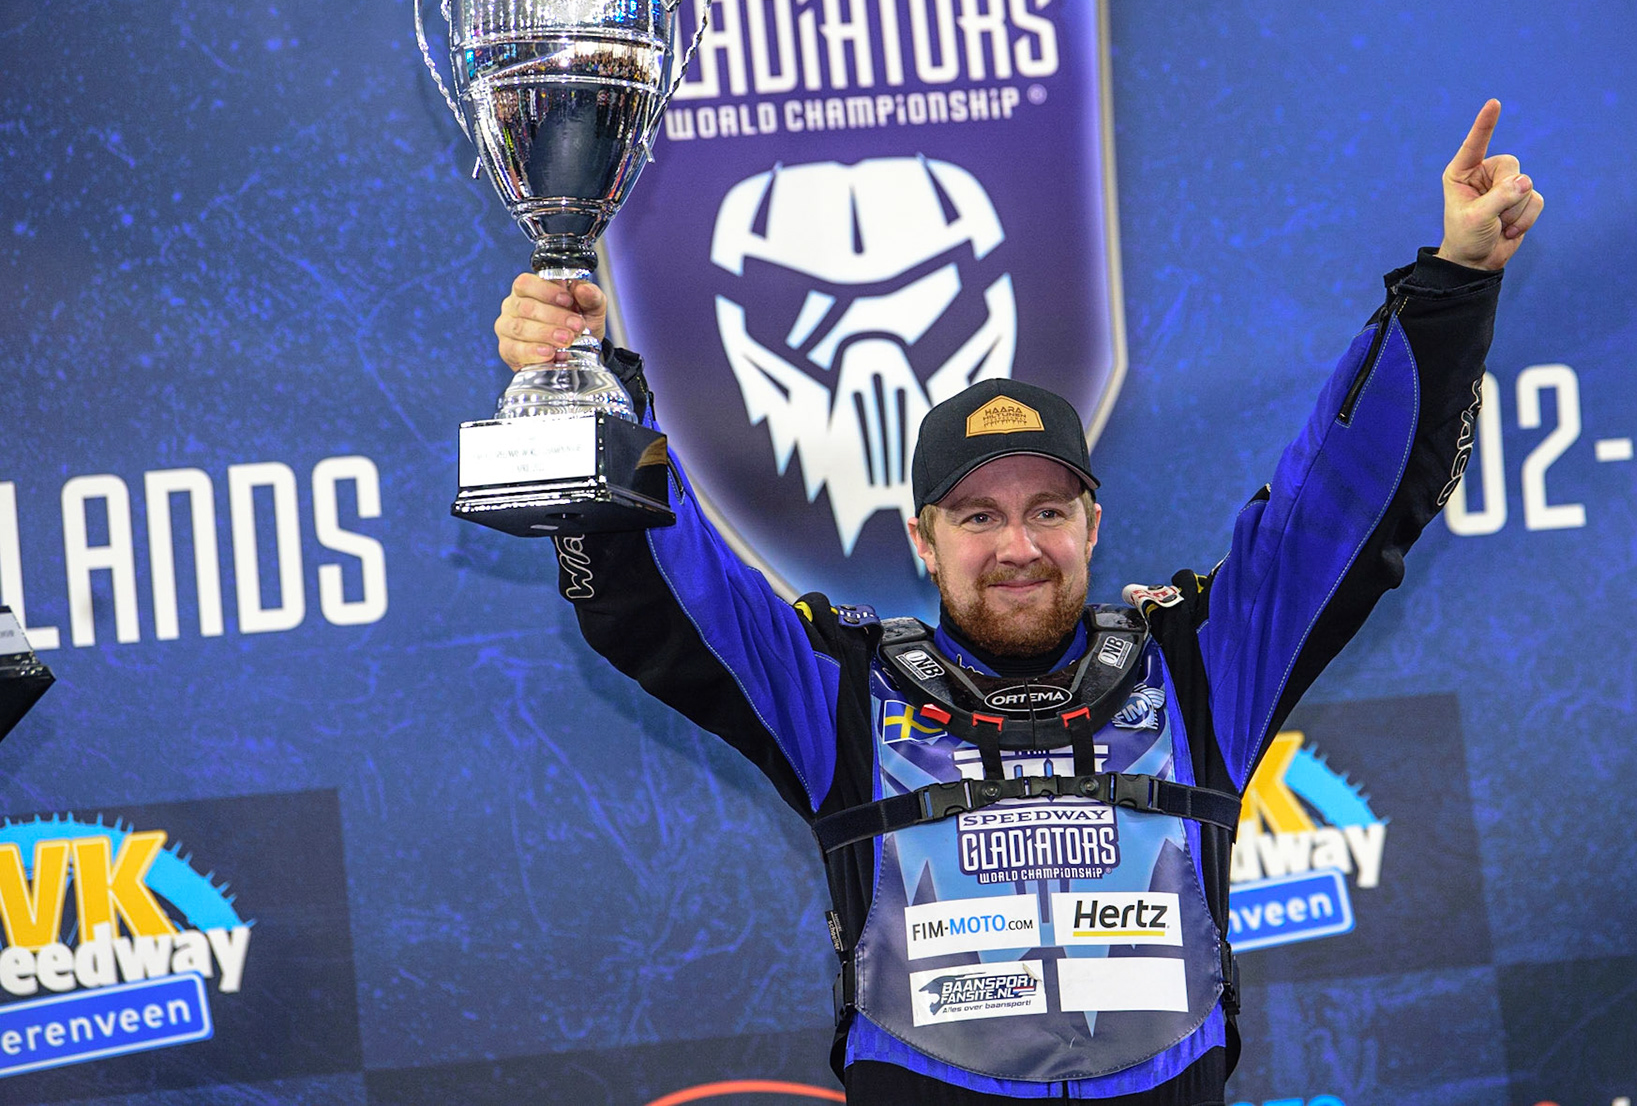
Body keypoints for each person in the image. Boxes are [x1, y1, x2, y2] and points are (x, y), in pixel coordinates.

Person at [493, 101, 1543, 1105]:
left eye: (1047, 510)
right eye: (977, 518)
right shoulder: (840, 691)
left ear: (1092, 523)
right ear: (923, 540)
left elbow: (1345, 506)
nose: (1018, 548)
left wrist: (1453, 283)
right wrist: (589, 387)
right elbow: (666, 596)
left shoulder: (1199, 664)